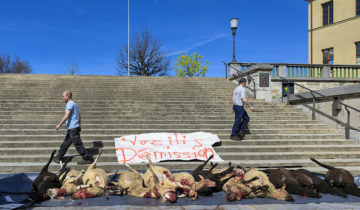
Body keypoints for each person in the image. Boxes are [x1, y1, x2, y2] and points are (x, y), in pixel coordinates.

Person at [54, 90, 94, 164]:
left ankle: (87, 158)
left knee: (78, 144)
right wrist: (79, 125)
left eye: (63, 96)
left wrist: (59, 124)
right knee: (66, 143)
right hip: (73, 127)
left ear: (68, 96)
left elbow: (66, 115)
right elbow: (79, 116)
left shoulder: (70, 104)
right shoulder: (75, 104)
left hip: (73, 128)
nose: (62, 98)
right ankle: (58, 157)